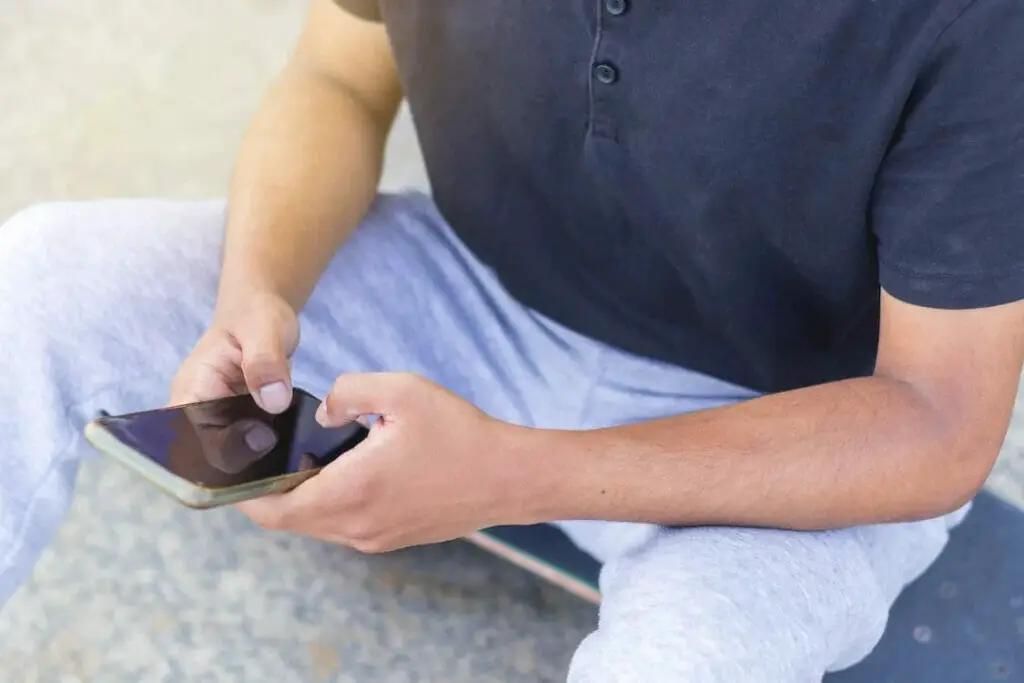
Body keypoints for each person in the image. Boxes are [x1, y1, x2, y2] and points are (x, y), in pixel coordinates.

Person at [1, 0, 1022, 679]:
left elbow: (937, 421)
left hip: (787, 429)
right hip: (473, 291)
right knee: (45, 272)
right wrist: (256, 292)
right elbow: (338, 76)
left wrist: (516, 474)